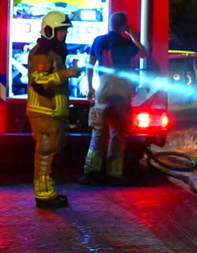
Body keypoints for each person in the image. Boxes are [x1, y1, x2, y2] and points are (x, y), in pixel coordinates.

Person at [79, 11, 148, 186]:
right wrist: (132, 34)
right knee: (117, 132)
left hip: (102, 86)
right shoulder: (126, 42)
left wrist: (90, 88)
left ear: (110, 24)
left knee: (98, 131)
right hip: (121, 88)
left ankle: (91, 172)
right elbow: (144, 53)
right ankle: (114, 174)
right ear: (124, 25)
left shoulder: (98, 40)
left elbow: (89, 65)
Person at [28, 11, 81, 208]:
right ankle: (43, 194)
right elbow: (39, 82)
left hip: (52, 111)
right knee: (45, 152)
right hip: (44, 111)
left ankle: (48, 190)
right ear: (50, 31)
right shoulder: (42, 53)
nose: (65, 33)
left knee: (51, 152)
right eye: (62, 30)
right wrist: (65, 74)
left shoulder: (54, 51)